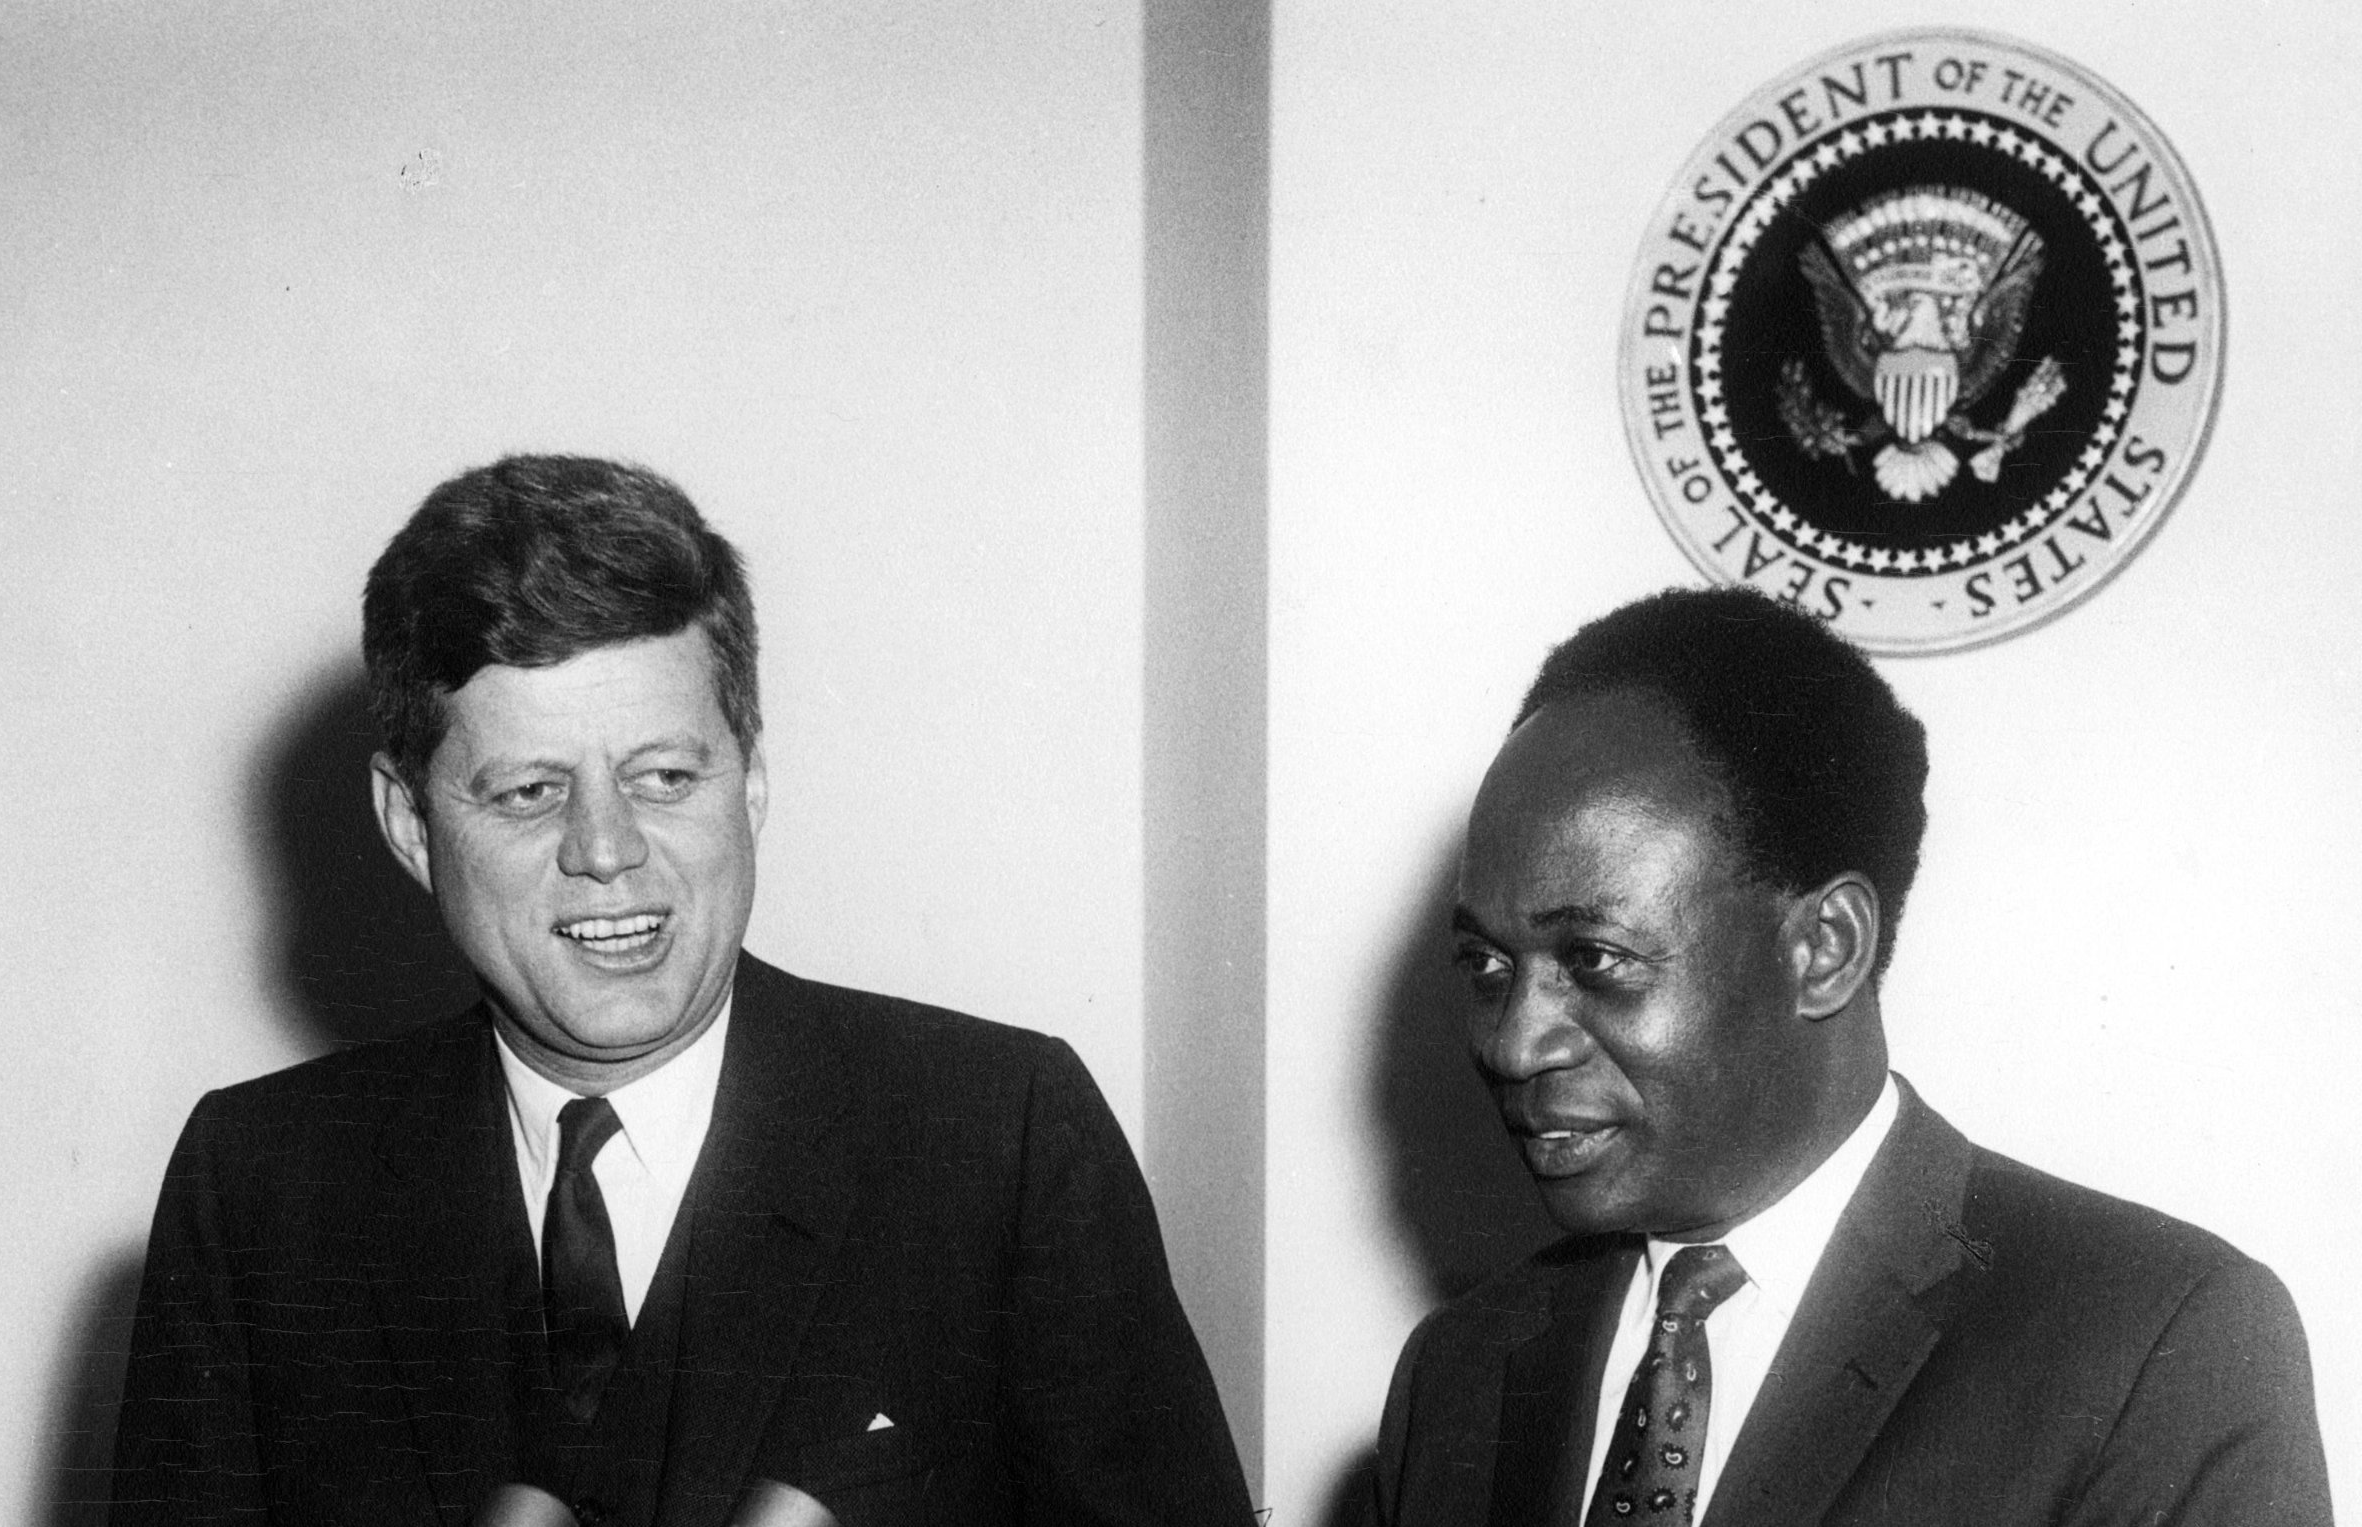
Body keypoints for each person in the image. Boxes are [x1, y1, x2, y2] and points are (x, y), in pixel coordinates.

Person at [112, 455, 1253, 1527]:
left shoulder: (1001, 1139)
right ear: (411, 825)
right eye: (528, 792)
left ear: (748, 786)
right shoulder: (258, 1190)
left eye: (663, 776)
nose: (606, 849)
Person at [1371, 586, 2330, 1527]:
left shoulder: (2154, 1348)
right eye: (1486, 965)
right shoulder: (1456, 1373)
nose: (1515, 1043)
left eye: (1595, 958)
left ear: (1825, 948)